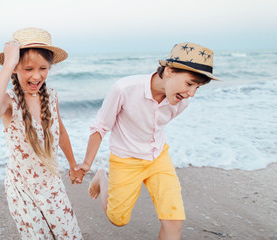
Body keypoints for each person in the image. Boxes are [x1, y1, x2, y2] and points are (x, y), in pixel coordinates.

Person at [75, 42, 220, 240]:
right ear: (169, 70)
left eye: (197, 87)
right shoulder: (124, 89)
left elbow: (154, 126)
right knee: (118, 219)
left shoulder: (181, 102)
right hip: (126, 159)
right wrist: (87, 163)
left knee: (174, 219)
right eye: (189, 83)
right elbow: (100, 126)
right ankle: (102, 177)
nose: (192, 93)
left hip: (158, 157)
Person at [0, 27, 84, 240]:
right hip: (22, 190)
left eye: (43, 68)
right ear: (16, 68)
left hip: (52, 185)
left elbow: (61, 132)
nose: (37, 76)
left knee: (69, 234)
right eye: (28, 69)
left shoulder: (51, 96)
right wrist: (8, 65)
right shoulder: (10, 102)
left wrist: (73, 165)